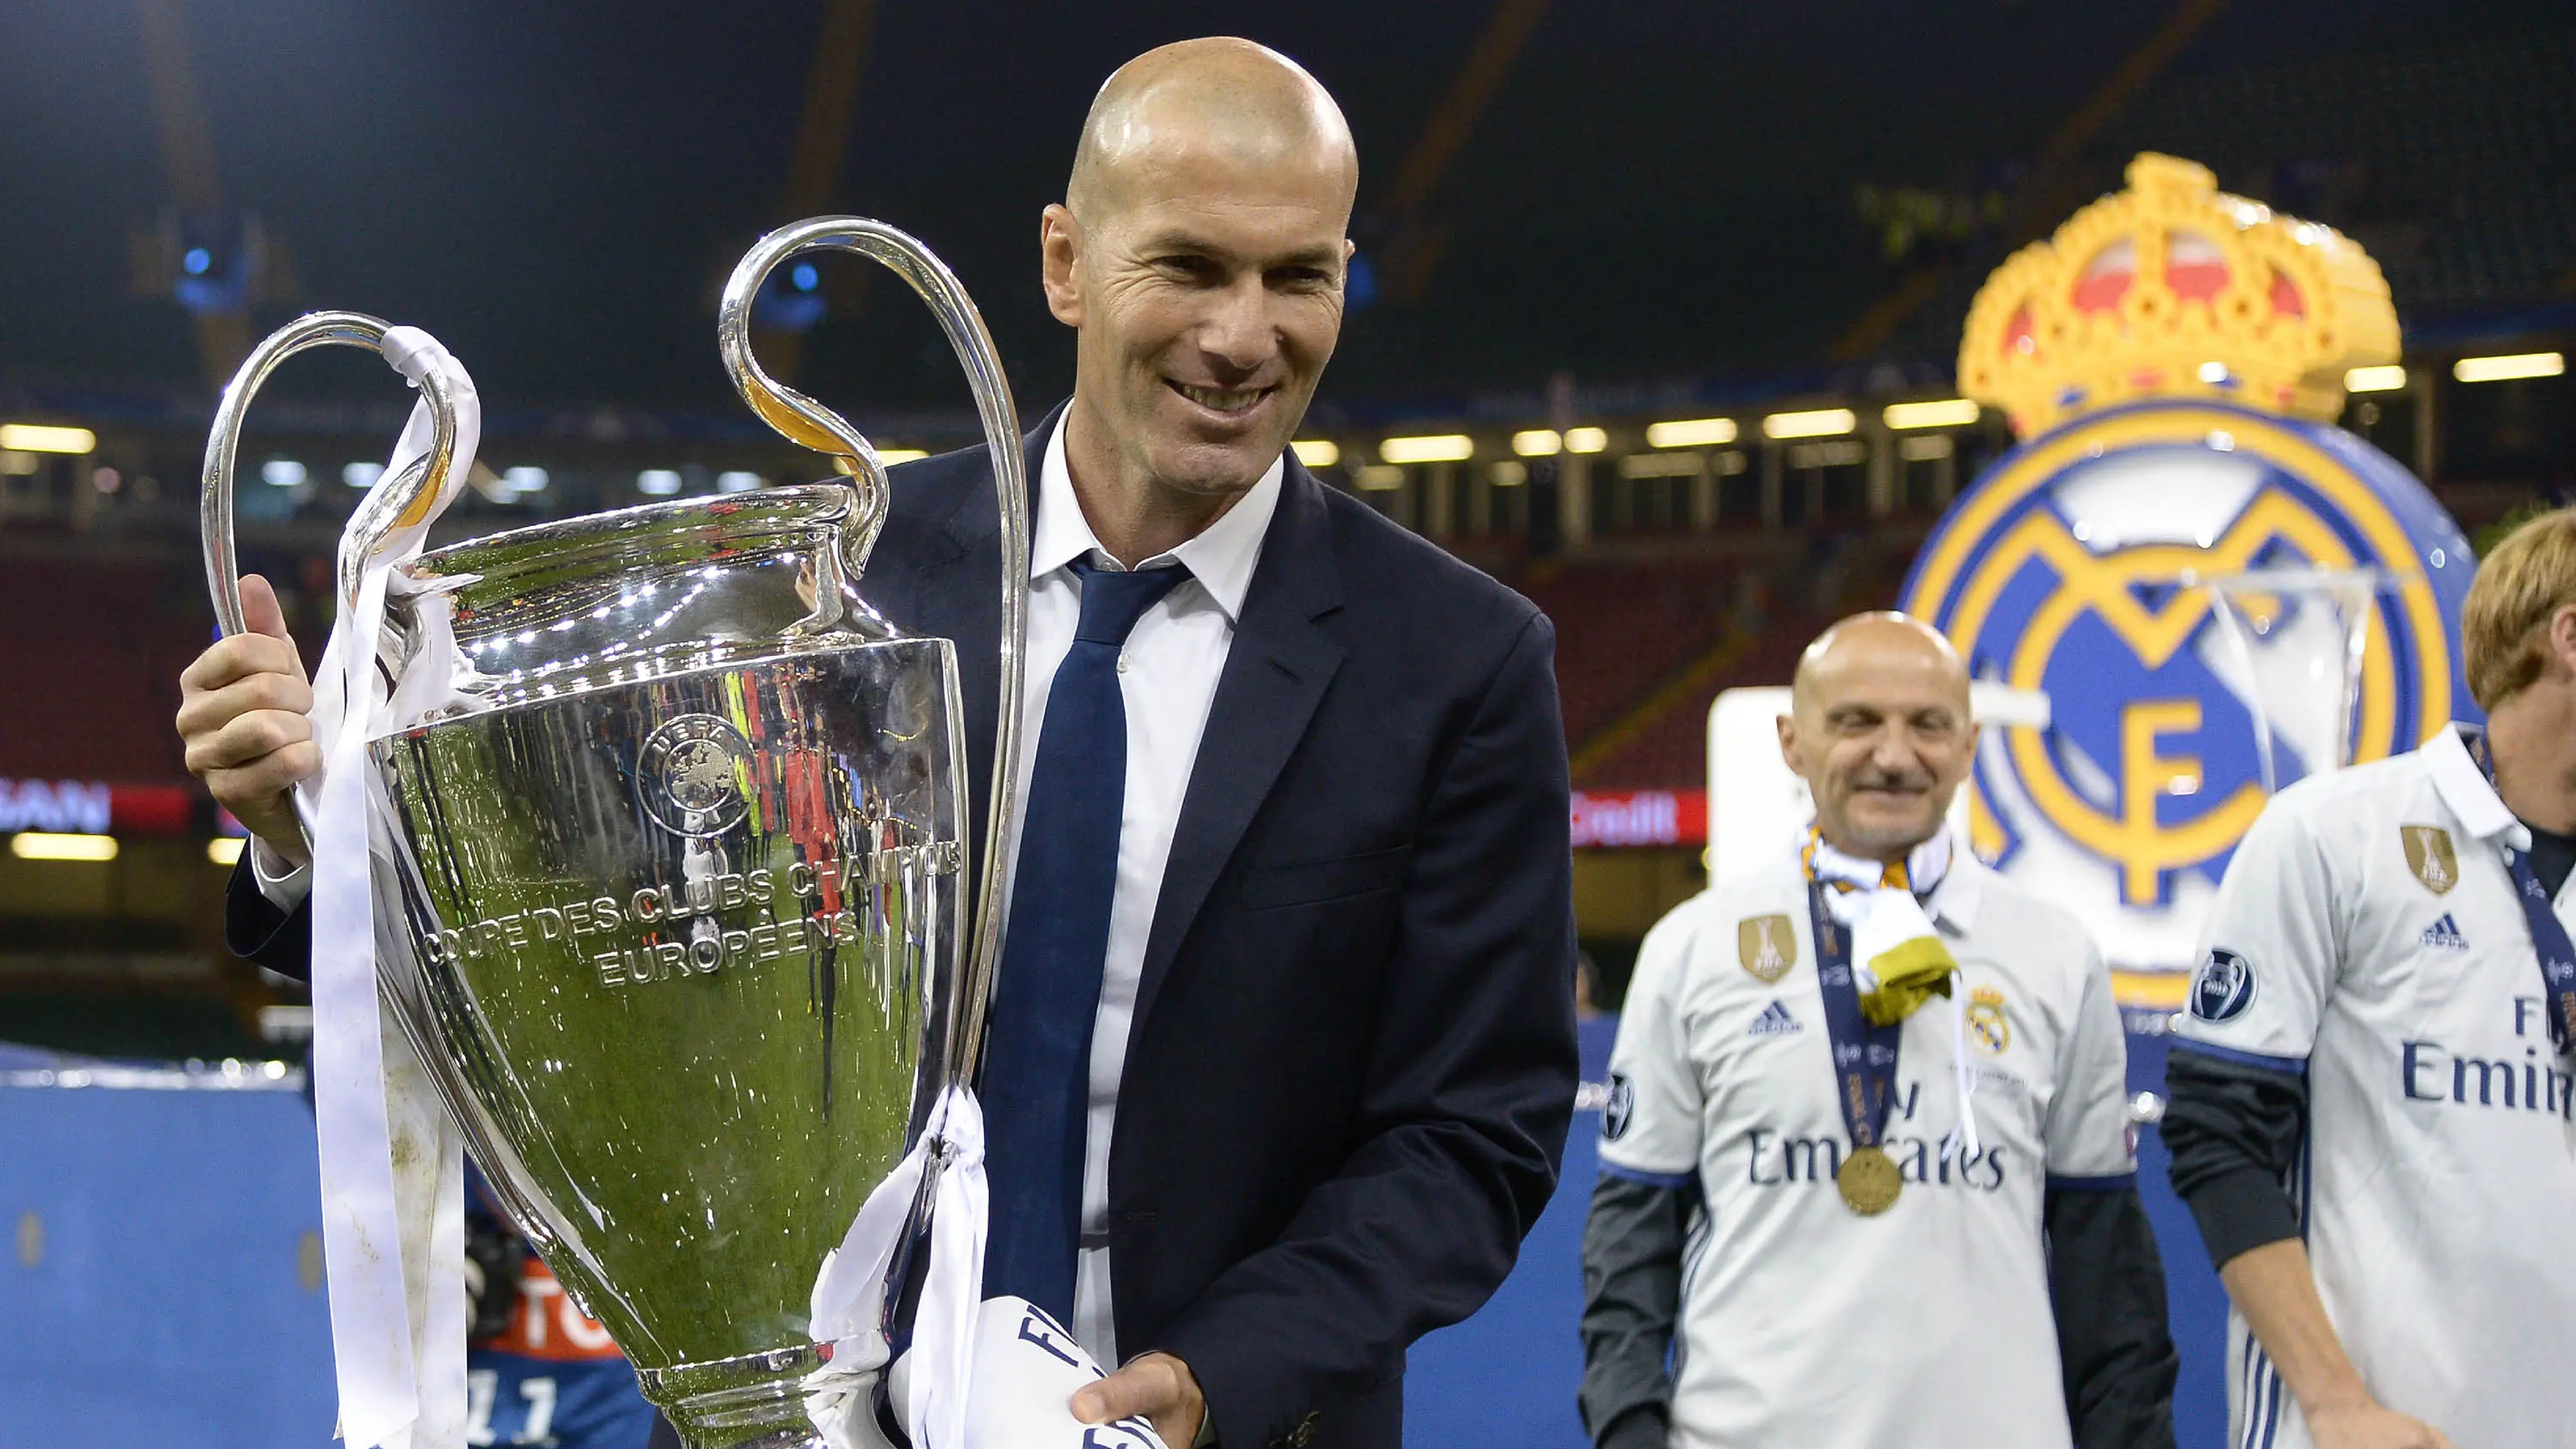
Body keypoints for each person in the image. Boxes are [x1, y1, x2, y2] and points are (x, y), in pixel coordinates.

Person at [175, 36, 1579, 1449]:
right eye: (1192, 266)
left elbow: (1474, 1133)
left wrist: (1221, 1374)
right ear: (1066, 262)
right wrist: (315, 844)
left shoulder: (1456, 662)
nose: (1242, 333)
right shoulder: (834, 578)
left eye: (1300, 276)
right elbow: (585, 944)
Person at [1578, 613, 2175, 1449]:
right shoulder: (1696, 945)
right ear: (1793, 739)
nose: (1894, 755)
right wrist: (1627, 1429)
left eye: (1927, 723)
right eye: (1856, 720)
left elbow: (2104, 1262)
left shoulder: (2054, 954)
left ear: (1968, 744)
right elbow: (1631, 1243)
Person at [2161, 505, 2576, 1449]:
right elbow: (2217, 1135)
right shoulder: (2335, 836)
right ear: (2569, 635)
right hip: (2377, 1430)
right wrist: (2337, 1400)